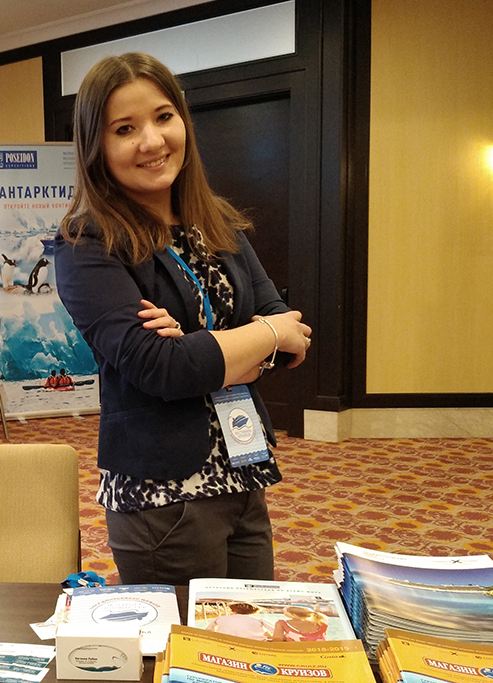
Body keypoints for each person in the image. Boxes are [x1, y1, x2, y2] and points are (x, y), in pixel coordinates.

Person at [54, 53, 312, 585]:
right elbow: (161, 369)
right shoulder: (87, 243)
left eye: (163, 117)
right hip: (162, 496)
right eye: (125, 129)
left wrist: (204, 349)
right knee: (183, 640)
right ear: (96, 146)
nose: (152, 141)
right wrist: (257, 338)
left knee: (248, 627)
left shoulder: (218, 223)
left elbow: (290, 338)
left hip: (244, 472)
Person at [205, 602, 271, 640]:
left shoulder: (219, 619)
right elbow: (275, 631)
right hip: (255, 644)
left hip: (226, 642)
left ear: (232, 610)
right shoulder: (259, 620)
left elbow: (209, 631)